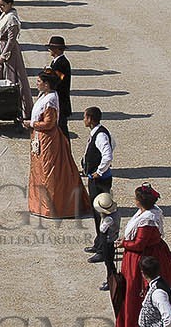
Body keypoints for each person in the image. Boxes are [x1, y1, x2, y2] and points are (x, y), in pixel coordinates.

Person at [117, 184, 171, 327]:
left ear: (140, 202)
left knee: (138, 293)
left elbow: (139, 244)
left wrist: (123, 244)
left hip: (144, 258)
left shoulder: (148, 220)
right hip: (143, 255)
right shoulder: (147, 213)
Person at [28, 71, 92, 218]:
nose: (36, 83)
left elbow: (49, 123)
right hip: (40, 137)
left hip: (48, 140)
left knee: (49, 172)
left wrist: (31, 123)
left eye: (39, 81)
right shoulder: (45, 96)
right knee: (40, 170)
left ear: (46, 84)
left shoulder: (50, 100)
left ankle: (53, 207)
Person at [0, 0, 33, 122]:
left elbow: (11, 40)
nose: (0, 7)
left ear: (10, 4)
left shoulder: (12, 19)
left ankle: (18, 109)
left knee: (13, 79)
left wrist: (3, 56)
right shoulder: (5, 14)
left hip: (8, 53)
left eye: (3, 5)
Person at [88, 192, 120, 296]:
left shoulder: (109, 219)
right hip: (111, 239)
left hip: (108, 242)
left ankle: (110, 281)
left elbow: (102, 229)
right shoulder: (116, 214)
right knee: (109, 262)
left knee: (109, 262)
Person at [83, 107, 114, 200]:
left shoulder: (100, 135)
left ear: (90, 119)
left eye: (85, 117)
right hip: (97, 176)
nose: (83, 120)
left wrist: (99, 171)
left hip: (99, 179)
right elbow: (113, 143)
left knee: (98, 204)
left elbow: (108, 156)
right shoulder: (100, 131)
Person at [44, 35, 72, 117]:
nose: (49, 50)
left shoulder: (62, 63)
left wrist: (48, 75)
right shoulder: (56, 62)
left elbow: (58, 80)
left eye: (51, 48)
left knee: (61, 125)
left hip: (60, 100)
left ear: (57, 49)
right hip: (58, 99)